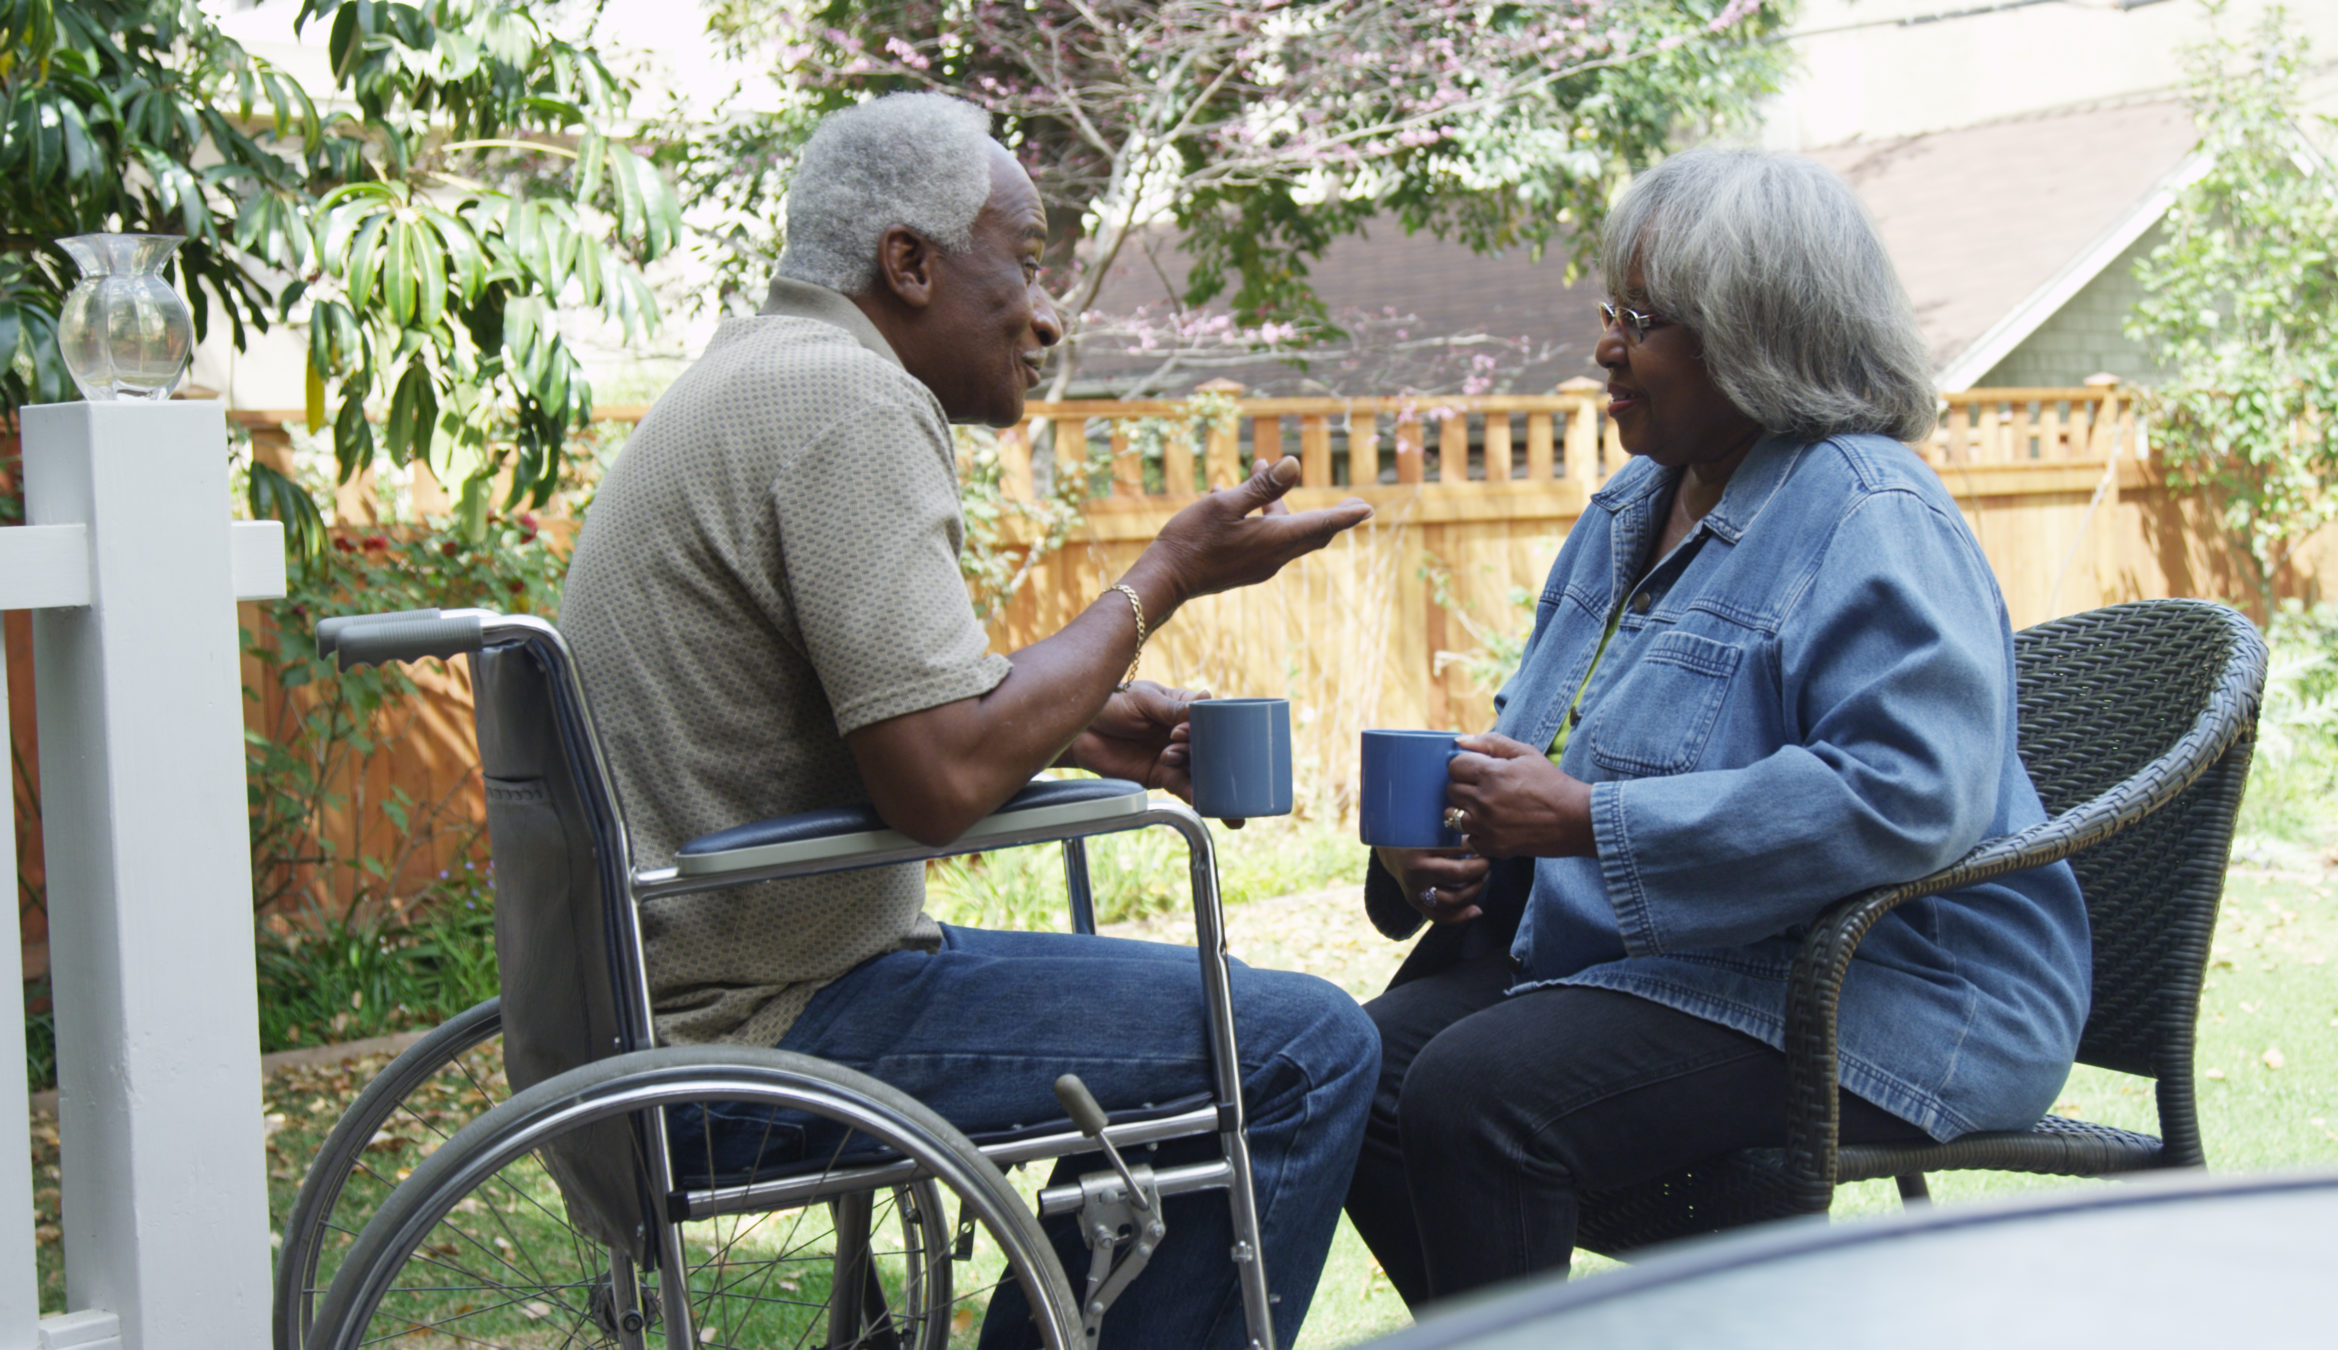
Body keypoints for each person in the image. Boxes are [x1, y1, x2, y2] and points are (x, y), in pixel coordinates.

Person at [559, 92, 1380, 1348]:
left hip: (659, 1010)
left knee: (1213, 1052)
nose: (1048, 312)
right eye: (1030, 259)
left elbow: (892, 717)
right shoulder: (851, 403)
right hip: (760, 1030)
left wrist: (1066, 722)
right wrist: (1159, 578)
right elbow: (936, 782)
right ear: (910, 262)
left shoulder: (755, 373)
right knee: (1303, 1050)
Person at [1342, 146, 2093, 1306]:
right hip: (1684, 960)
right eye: (1608, 310)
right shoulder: (1628, 509)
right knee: (1349, 1067)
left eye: (1638, 319)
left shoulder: (1868, 507)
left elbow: (1907, 795)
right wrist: (1439, 849)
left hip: (1899, 986)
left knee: (1479, 1093)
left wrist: (1586, 822)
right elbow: (1547, 745)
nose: (1602, 346)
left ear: (1756, 333)